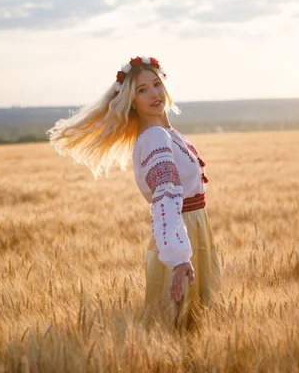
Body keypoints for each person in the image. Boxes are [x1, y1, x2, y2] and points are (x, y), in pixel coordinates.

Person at [47, 56, 221, 328]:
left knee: (195, 326)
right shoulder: (155, 138)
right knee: (177, 327)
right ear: (132, 101)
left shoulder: (166, 133)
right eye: (142, 90)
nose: (153, 93)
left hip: (193, 231)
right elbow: (165, 197)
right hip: (180, 236)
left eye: (156, 84)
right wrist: (178, 259)